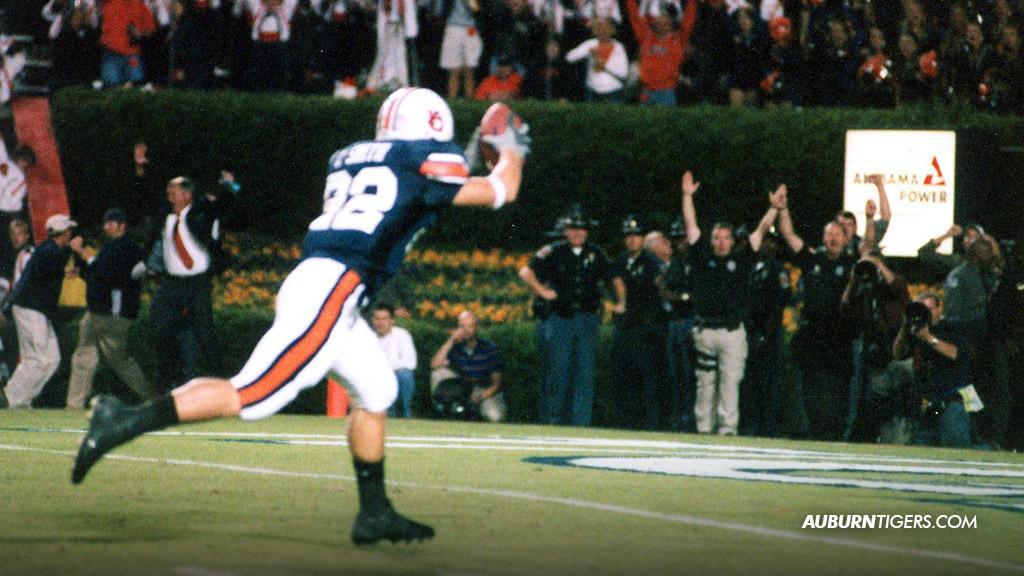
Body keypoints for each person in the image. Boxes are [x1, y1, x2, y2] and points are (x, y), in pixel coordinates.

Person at [71, 87, 531, 546]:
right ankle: (123, 420)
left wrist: (474, 157)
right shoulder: (421, 161)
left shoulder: (352, 156)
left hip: (326, 287)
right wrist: (511, 147)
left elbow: (420, 193)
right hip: (333, 292)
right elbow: (502, 189)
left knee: (377, 390)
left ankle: (374, 513)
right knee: (252, 395)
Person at [681, 171, 779, 435]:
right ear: (711, 240)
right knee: (705, 384)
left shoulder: (742, 260)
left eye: (725, 237)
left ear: (732, 241)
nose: (721, 242)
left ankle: (727, 430)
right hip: (705, 330)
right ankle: (703, 429)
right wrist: (687, 197)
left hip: (732, 331)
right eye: (717, 237)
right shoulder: (702, 259)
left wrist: (773, 209)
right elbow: (691, 227)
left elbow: (759, 232)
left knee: (729, 383)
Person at [776, 189, 859, 441]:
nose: (833, 238)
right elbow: (789, 234)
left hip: (840, 334)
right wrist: (783, 208)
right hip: (813, 332)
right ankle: (814, 432)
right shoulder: (813, 259)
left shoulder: (852, 263)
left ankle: (836, 433)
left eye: (838, 234)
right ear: (823, 238)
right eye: (829, 234)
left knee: (838, 386)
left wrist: (868, 218)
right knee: (811, 384)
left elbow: (869, 245)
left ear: (846, 239)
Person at [519, 203, 610, 426]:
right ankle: (553, 421)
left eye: (581, 229)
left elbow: (612, 278)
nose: (577, 233)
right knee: (557, 371)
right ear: (566, 230)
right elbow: (525, 271)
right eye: (572, 228)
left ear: (587, 231)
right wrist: (541, 291)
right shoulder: (554, 251)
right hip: (561, 318)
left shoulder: (596, 253)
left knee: (584, 374)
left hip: (587, 318)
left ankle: (581, 424)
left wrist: (618, 301)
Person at [65, 209, 159, 409]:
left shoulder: (127, 248)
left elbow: (108, 275)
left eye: (111, 223)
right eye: (106, 222)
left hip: (113, 313)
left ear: (122, 226)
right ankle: (74, 404)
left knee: (118, 359)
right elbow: (96, 275)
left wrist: (83, 253)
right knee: (85, 354)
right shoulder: (111, 246)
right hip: (97, 310)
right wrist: (81, 268)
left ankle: (152, 398)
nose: (106, 226)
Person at [148, 174, 234, 391]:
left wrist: (229, 186)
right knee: (161, 333)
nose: (170, 198)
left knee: (205, 334)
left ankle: (223, 387)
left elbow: (222, 206)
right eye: (168, 194)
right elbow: (143, 195)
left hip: (197, 283)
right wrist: (141, 169)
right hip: (171, 284)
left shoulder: (200, 214)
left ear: (187, 195)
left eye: (174, 193)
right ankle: (165, 387)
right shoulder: (166, 216)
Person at [1, 215, 81, 409]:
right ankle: (11, 398)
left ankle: (19, 399)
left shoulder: (47, 251)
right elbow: (48, 264)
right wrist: (71, 250)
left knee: (52, 359)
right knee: (40, 359)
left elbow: (43, 272)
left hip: (34, 310)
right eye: (68, 231)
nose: (71, 234)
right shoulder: (47, 250)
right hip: (30, 309)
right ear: (63, 233)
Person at [893, 292, 973, 448]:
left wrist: (929, 338)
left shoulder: (953, 327)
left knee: (957, 448)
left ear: (939, 309)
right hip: (928, 400)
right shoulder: (917, 331)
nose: (927, 313)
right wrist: (905, 326)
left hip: (954, 398)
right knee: (923, 448)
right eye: (923, 309)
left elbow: (955, 353)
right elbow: (897, 353)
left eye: (930, 308)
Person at [610, 214, 662, 430]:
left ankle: (651, 426)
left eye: (636, 236)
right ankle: (624, 424)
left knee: (648, 381)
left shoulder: (651, 263)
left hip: (645, 329)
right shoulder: (619, 262)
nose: (632, 240)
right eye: (628, 236)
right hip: (624, 329)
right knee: (623, 380)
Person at [429, 310, 506, 423]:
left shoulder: (489, 348)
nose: (466, 331)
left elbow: (496, 384)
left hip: (485, 390)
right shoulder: (456, 347)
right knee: (437, 373)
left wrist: (480, 397)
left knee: (495, 416)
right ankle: (441, 409)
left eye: (470, 326)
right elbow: (434, 365)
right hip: (464, 388)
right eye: (462, 327)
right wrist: (451, 340)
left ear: (476, 327)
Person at [661, 218, 696, 431]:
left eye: (681, 238)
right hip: (675, 322)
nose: (678, 243)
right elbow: (664, 290)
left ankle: (689, 419)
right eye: (675, 239)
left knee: (690, 373)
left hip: (690, 321)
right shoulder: (675, 263)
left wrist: (680, 296)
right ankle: (679, 416)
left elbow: (693, 295)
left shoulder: (697, 262)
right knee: (676, 374)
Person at [371, 304, 417, 418]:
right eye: (377, 319)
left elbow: (410, 362)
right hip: (374, 377)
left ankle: (404, 415)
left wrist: (388, 370)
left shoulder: (402, 335)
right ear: (373, 321)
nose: (380, 322)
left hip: (396, 375)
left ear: (392, 321)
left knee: (405, 375)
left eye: (384, 319)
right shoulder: (367, 337)